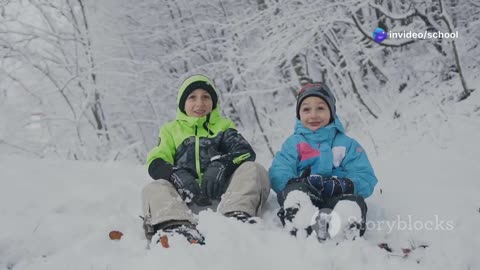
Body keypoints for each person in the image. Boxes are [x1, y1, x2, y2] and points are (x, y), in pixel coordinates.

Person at [142, 74, 270, 245]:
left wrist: (221, 166)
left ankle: (236, 215)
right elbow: (156, 161)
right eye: (192, 97)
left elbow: (245, 151)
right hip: (184, 194)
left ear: (213, 102)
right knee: (155, 187)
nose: (200, 103)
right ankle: (175, 225)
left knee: (253, 169)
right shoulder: (170, 130)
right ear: (183, 103)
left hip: (223, 190)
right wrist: (176, 175)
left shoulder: (223, 126)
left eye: (206, 97)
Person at [269, 82, 378, 239]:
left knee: (352, 202)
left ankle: (345, 231)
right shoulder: (294, 144)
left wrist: (345, 185)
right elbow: (278, 172)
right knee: (295, 194)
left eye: (320, 108)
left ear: (331, 112)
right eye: (306, 109)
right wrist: (298, 182)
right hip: (306, 195)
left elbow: (365, 175)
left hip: (338, 195)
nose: (313, 115)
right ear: (299, 114)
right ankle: (300, 226)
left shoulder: (347, 145)